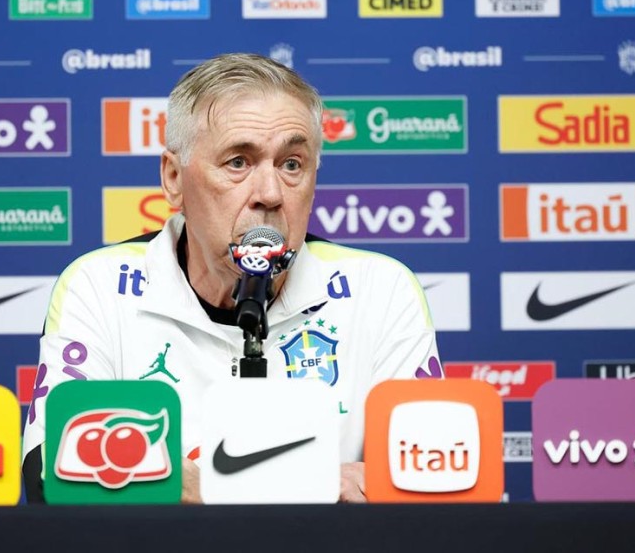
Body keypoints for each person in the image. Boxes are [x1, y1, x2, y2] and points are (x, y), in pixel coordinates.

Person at [22, 53, 442, 503]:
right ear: (173, 178)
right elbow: (52, 470)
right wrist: (300, 486)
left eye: (292, 164)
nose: (270, 194)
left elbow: (432, 480)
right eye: (238, 162)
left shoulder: (380, 289)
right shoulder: (99, 285)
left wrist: (183, 482)